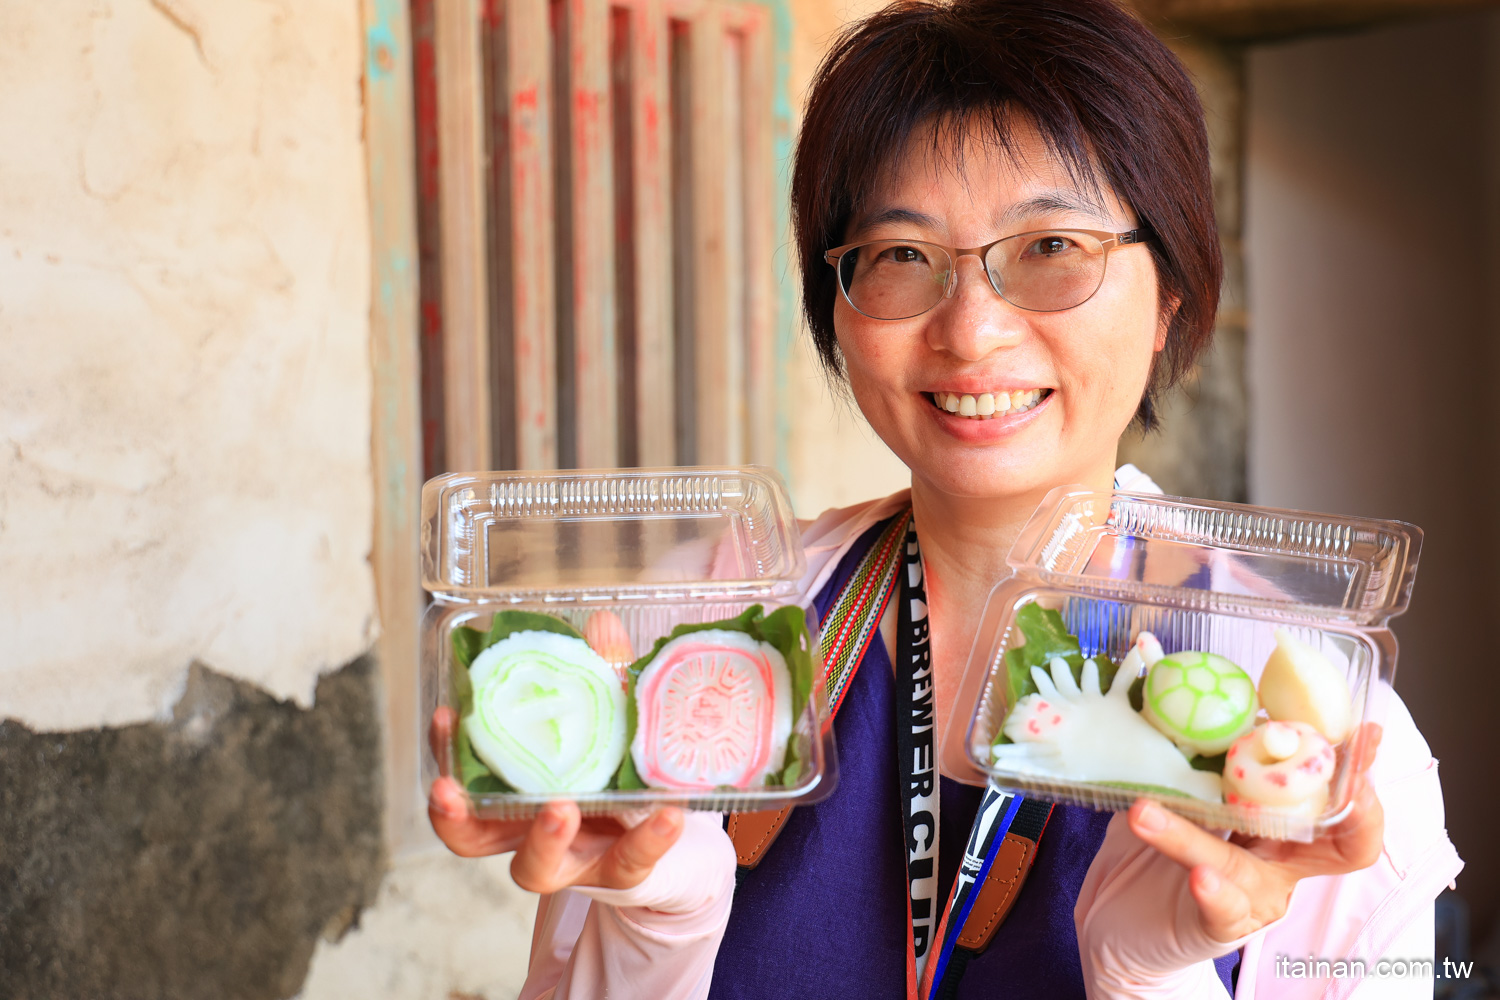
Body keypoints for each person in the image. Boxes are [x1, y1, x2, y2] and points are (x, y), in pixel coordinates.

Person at [426, 0, 1464, 995]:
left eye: (1052, 247)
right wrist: (654, 913)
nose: (970, 330)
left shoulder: (1327, 749)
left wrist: (1153, 972)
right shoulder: (702, 634)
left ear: (1172, 298)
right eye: (902, 256)